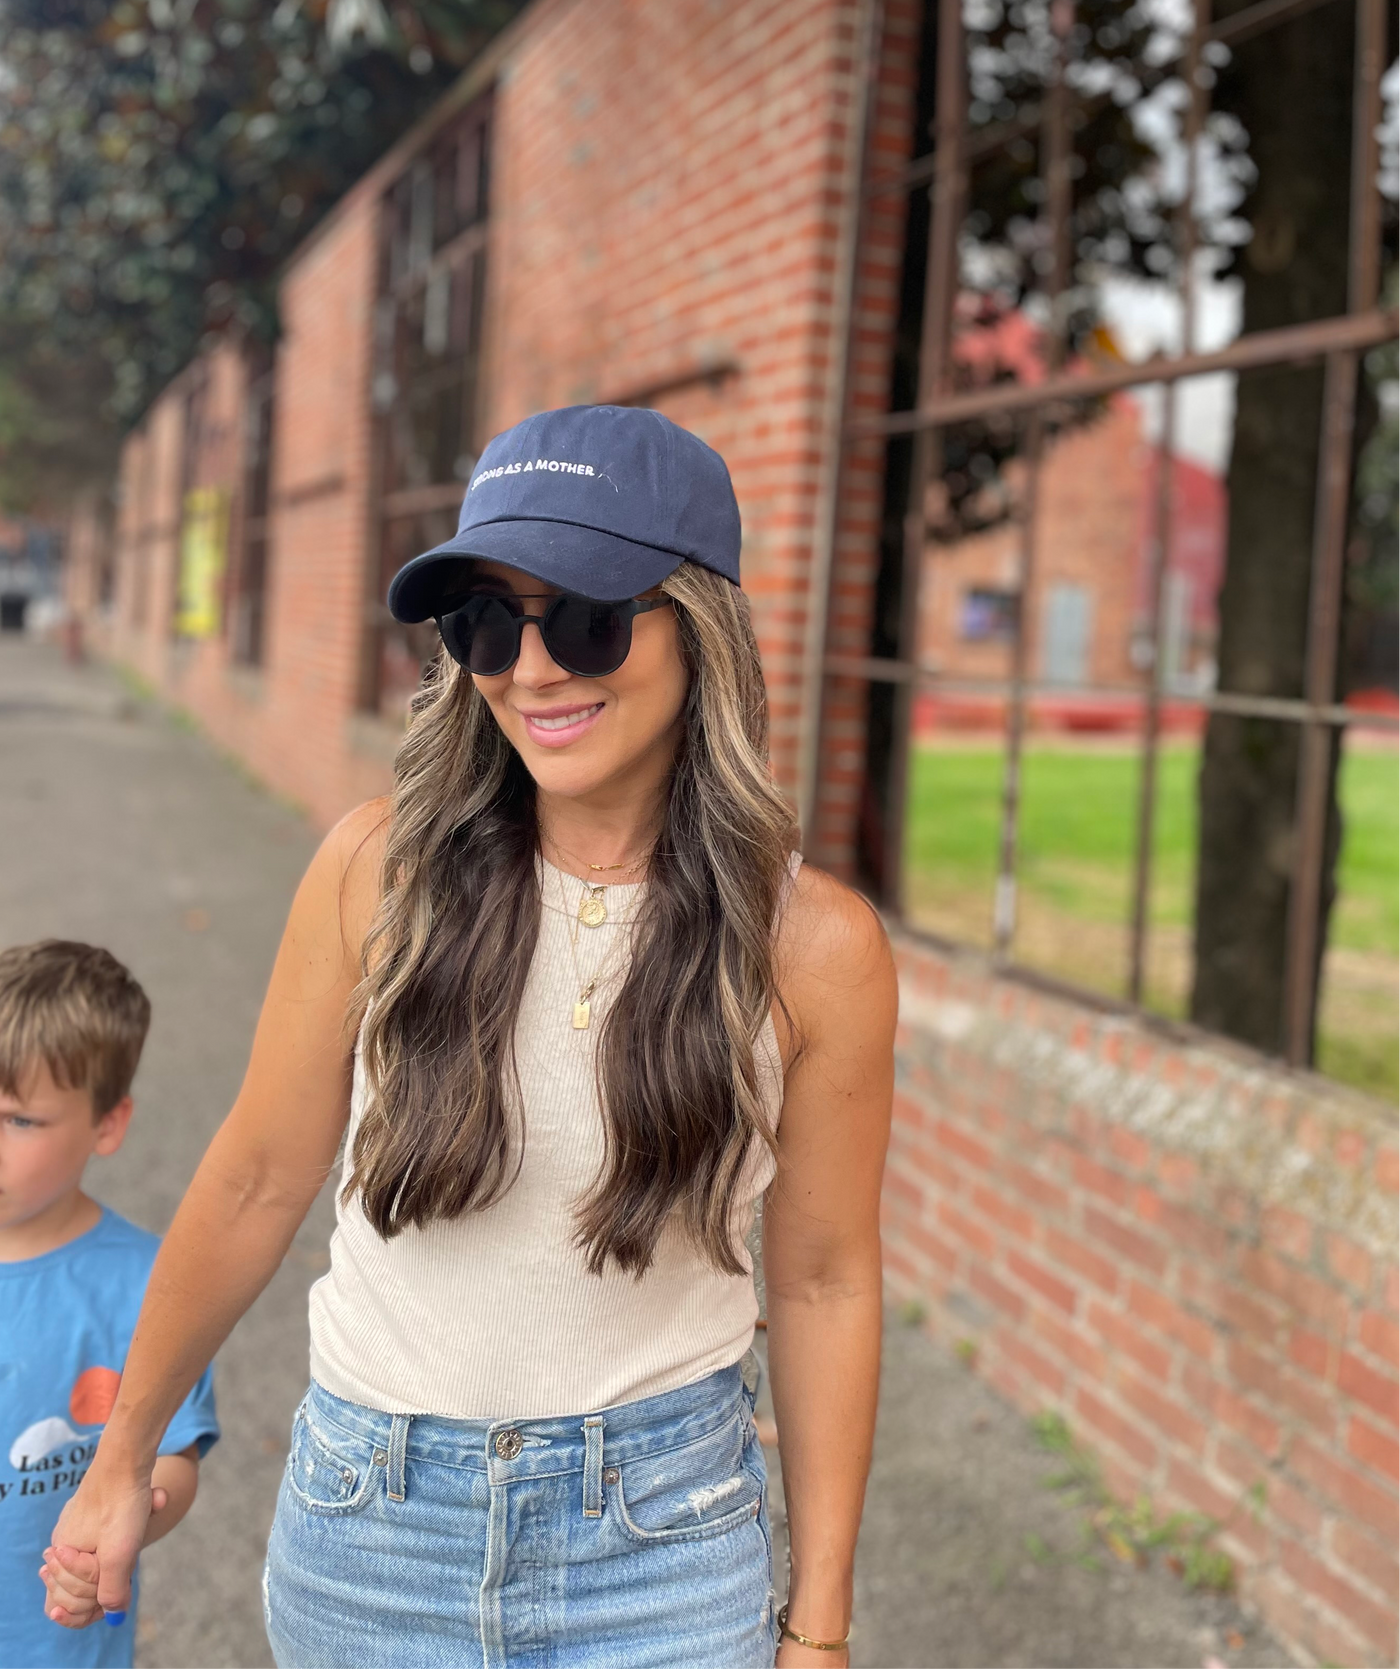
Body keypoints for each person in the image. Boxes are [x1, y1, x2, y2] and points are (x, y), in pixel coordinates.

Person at [50, 405, 896, 1666]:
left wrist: (817, 1627)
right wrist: (120, 1466)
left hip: (662, 1547)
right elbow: (258, 1177)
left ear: (699, 623)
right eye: (486, 621)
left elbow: (823, 1279)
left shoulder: (812, 948)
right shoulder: (373, 872)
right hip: (373, 1533)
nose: (532, 667)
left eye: (587, 615)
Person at [0, 939, 219, 1663]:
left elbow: (175, 1458)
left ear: (107, 1123)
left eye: (18, 1118)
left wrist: (119, 1537)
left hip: (56, 1643)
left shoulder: (151, 1283)